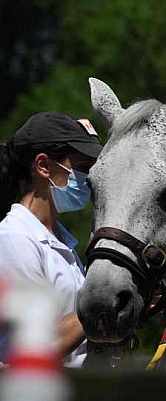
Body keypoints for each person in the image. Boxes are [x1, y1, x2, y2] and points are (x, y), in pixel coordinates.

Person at [0, 111, 102, 368]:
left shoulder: (62, 240)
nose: (89, 179)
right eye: (82, 168)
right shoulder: (15, 240)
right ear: (43, 166)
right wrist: (101, 305)